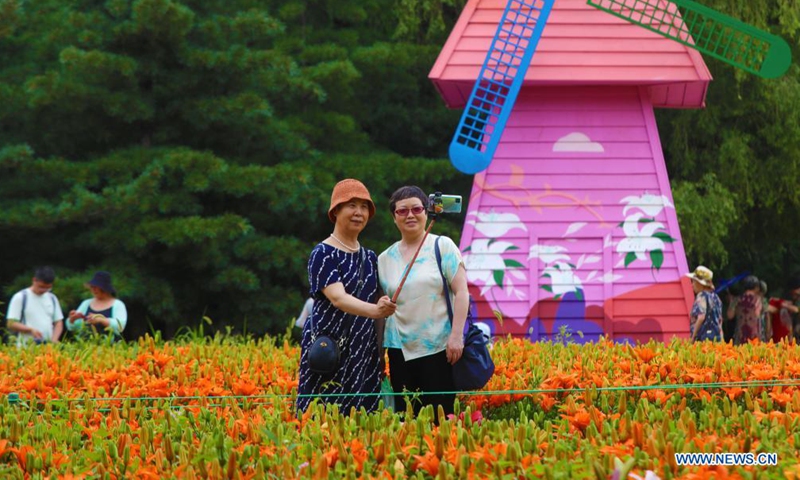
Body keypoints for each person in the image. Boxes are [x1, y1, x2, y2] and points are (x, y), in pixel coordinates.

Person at [296, 179, 396, 414]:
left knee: (364, 420)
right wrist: (375, 310)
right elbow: (338, 298)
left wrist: (380, 351)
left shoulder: (370, 257)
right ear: (335, 211)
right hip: (330, 352)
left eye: (364, 207)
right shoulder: (323, 253)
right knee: (322, 419)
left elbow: (379, 303)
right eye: (351, 205)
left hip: (364, 355)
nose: (359, 212)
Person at [378, 186, 468, 418]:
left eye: (416, 209)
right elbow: (381, 307)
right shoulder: (384, 259)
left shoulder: (442, 246)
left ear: (426, 212)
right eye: (402, 211)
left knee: (442, 418)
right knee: (406, 418)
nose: (410, 215)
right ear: (394, 217)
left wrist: (456, 336)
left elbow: (462, 292)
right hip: (398, 350)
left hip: (439, 347)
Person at [5, 266, 64, 346]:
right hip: (25, 346)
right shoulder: (21, 297)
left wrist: (54, 339)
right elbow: (11, 323)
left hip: (47, 347)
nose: (43, 290)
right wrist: (30, 330)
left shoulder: (52, 298)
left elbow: (58, 322)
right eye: (41, 287)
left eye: (47, 288)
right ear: (34, 280)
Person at [66, 271, 127, 337]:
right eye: (92, 287)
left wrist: (101, 320)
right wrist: (72, 319)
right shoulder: (86, 303)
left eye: (96, 287)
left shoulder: (118, 304)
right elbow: (74, 328)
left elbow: (120, 327)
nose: (93, 289)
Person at [686, 265, 723, 342]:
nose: (692, 285)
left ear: (700, 284)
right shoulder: (716, 298)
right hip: (716, 338)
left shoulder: (701, 296)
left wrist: (693, 337)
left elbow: (701, 317)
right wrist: (722, 339)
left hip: (704, 339)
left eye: (694, 281)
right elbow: (719, 321)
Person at [728, 275, 762, 344]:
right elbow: (757, 314)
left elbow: (730, 315)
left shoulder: (737, 300)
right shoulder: (757, 300)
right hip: (753, 335)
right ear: (756, 287)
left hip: (740, 334)